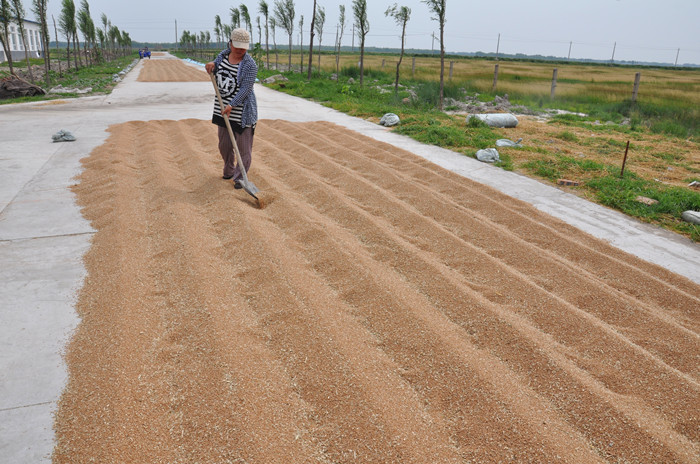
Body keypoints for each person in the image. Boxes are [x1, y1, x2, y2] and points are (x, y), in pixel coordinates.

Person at [205, 28, 258, 188]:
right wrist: (212, 64)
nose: (241, 50)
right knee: (224, 145)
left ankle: (240, 178)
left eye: (244, 47)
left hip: (242, 113)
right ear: (230, 43)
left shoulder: (250, 65)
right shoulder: (222, 56)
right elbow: (216, 63)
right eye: (237, 46)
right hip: (222, 109)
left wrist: (232, 105)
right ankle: (228, 171)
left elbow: (246, 89)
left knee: (243, 149)